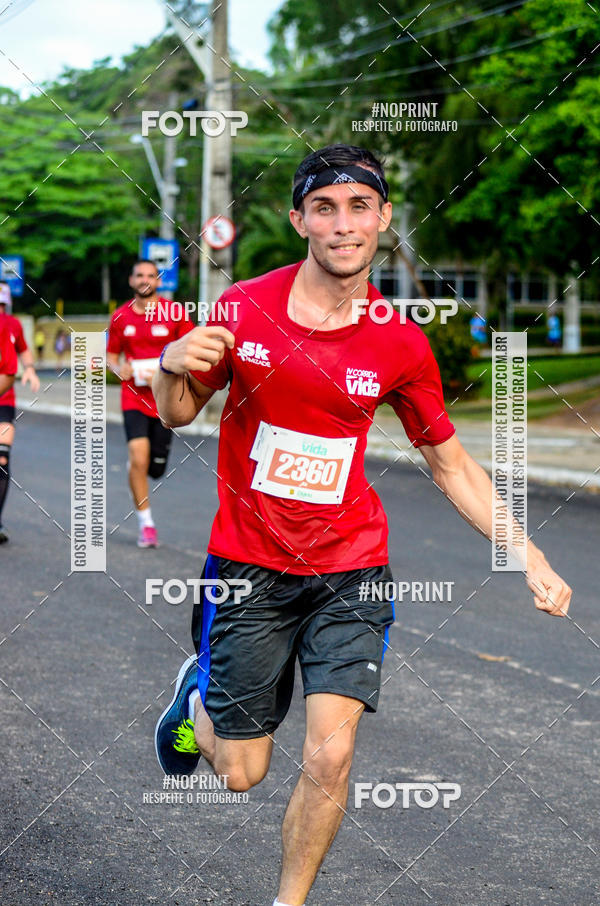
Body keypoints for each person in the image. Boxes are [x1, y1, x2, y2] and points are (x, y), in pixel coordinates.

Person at [152, 144, 572, 906]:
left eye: (358, 207)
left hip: (351, 567)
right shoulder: (243, 307)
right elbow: (179, 415)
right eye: (324, 207)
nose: (343, 224)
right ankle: (196, 697)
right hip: (248, 566)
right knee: (242, 773)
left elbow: (451, 464)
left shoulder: (399, 341)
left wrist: (528, 553)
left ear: (382, 218)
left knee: (332, 754)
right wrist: (170, 364)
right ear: (298, 219)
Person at [106, 259, 194, 548]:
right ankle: (147, 524)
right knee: (137, 456)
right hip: (133, 396)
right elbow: (110, 355)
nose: (145, 280)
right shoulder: (120, 317)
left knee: (155, 467)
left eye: (151, 276)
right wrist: (120, 370)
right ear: (131, 281)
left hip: (165, 398)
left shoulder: (175, 313)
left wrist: (173, 368)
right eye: (139, 275)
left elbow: (191, 347)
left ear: (158, 282)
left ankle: (154, 466)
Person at [0, 282, 40, 544]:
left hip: (4, 397)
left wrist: (30, 368)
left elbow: (24, 350)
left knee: (2, 457)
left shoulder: (12, 324)